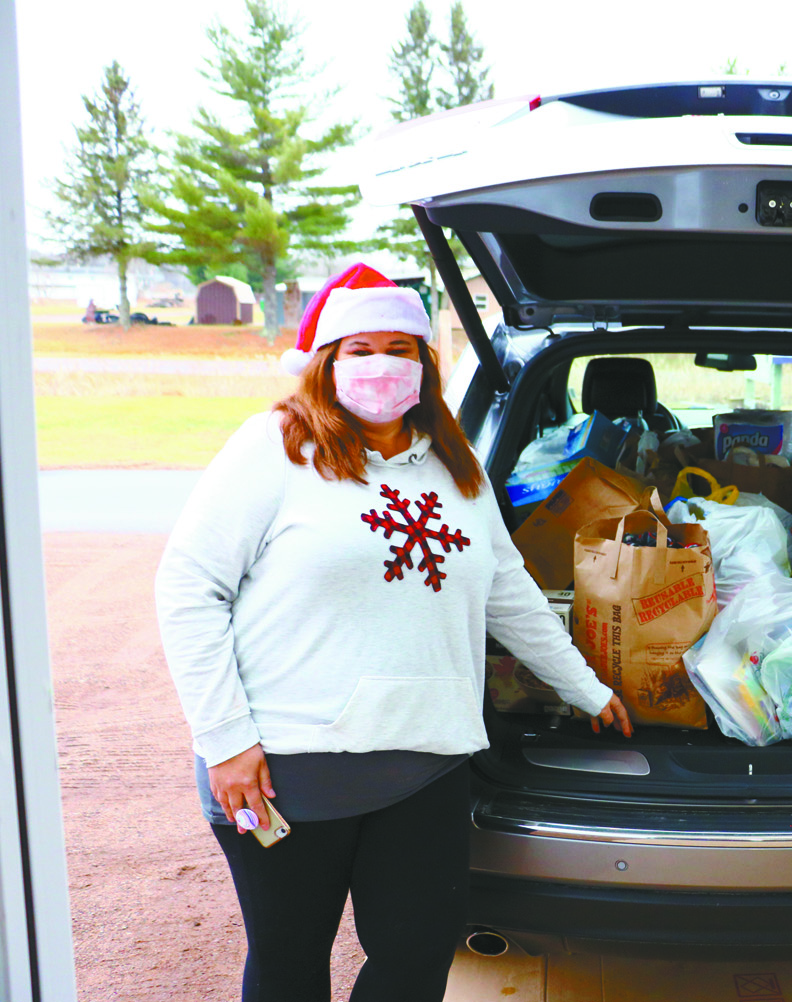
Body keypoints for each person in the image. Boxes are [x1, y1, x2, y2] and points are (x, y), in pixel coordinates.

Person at [156, 263, 631, 1002]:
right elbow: (189, 589)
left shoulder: (454, 464)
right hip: (288, 770)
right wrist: (225, 741)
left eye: (400, 348)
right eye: (360, 348)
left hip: (427, 764)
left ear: (424, 364)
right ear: (326, 364)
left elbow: (508, 592)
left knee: (414, 961)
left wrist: (585, 688)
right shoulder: (273, 447)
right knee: (289, 966)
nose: (381, 364)